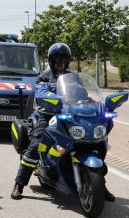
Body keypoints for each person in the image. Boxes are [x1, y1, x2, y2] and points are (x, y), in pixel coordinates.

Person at [10, 43, 116, 201]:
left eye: (63, 59)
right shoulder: (44, 77)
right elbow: (41, 94)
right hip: (46, 115)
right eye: (57, 59)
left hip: (69, 115)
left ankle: (100, 185)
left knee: (96, 141)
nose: (60, 62)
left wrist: (93, 103)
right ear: (51, 61)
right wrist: (55, 99)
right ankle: (19, 184)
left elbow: (83, 94)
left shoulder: (73, 77)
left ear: (67, 61)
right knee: (36, 144)